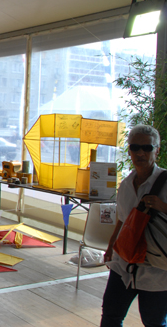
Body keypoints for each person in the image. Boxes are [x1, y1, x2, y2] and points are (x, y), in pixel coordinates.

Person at [102, 124, 167, 327]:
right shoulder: (126, 184)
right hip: (124, 264)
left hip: (155, 267)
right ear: (129, 150)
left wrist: (163, 206)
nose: (140, 153)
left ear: (157, 150)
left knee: (153, 322)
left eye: (147, 148)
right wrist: (111, 246)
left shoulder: (165, 182)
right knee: (111, 316)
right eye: (135, 147)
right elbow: (123, 220)